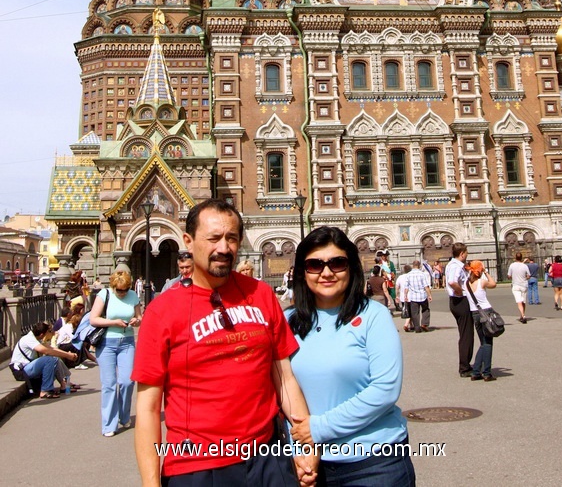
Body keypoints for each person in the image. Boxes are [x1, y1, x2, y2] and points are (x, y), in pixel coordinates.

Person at [132, 198, 316, 486]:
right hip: (198, 467)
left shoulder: (261, 295)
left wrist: (306, 443)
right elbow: (148, 408)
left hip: (267, 456)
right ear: (188, 242)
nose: (223, 248)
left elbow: (284, 378)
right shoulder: (161, 312)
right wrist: (150, 483)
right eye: (213, 238)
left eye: (231, 238)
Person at [287, 226, 416, 486]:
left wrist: (319, 429)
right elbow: (282, 387)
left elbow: (384, 389)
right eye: (314, 265)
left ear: (351, 268)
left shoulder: (373, 316)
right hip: (310, 464)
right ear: (302, 272)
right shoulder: (287, 321)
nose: (326, 272)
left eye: (337, 263)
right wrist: (299, 451)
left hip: (374, 463)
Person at [90, 269, 142, 437]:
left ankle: (124, 416)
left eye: (125, 289)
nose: (122, 293)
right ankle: (109, 425)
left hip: (127, 342)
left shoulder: (133, 295)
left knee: (127, 382)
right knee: (109, 384)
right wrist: (113, 322)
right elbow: (93, 319)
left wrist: (137, 320)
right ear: (113, 286)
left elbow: (140, 316)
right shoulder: (104, 294)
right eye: (119, 290)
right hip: (106, 343)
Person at [10, 321, 78, 397]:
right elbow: (47, 351)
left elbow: (52, 349)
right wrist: (68, 356)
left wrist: (68, 354)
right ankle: (45, 390)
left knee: (55, 359)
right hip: (21, 371)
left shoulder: (37, 338)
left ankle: (66, 385)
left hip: (29, 367)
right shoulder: (28, 339)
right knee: (49, 359)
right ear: (42, 334)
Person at [465, 261, 497, 381]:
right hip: (486, 312)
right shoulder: (481, 282)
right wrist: (486, 272)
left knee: (483, 343)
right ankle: (487, 373)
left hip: (475, 314)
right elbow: (494, 284)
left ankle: (476, 372)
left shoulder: (466, 284)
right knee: (488, 343)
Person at [445, 242, 474, 376]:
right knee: (466, 335)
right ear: (462, 254)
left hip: (455, 302)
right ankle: (464, 367)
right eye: (466, 253)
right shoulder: (456, 266)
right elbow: (452, 281)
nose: (467, 255)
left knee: (465, 334)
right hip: (460, 301)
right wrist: (461, 290)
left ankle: (465, 364)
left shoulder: (451, 264)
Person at [404, 260, 432, 333]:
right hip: (422, 296)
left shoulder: (408, 275)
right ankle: (424, 324)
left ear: (413, 265)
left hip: (413, 297)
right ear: (419, 265)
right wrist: (429, 295)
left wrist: (405, 296)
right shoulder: (422, 274)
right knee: (426, 310)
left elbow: (406, 288)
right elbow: (426, 286)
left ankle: (417, 328)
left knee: (415, 313)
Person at [507, 252, 530, 323]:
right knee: (523, 301)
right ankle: (522, 315)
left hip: (516, 285)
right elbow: (529, 276)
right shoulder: (525, 266)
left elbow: (509, 276)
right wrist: (525, 278)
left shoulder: (512, 265)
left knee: (519, 301)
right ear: (521, 258)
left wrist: (511, 277)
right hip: (524, 285)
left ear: (515, 258)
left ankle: (523, 315)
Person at [396, 265, 413, 332]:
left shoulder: (400, 277)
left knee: (406, 310)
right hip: (410, 296)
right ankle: (406, 324)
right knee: (410, 311)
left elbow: (397, 287)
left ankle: (411, 325)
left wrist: (397, 296)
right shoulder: (410, 276)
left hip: (402, 297)